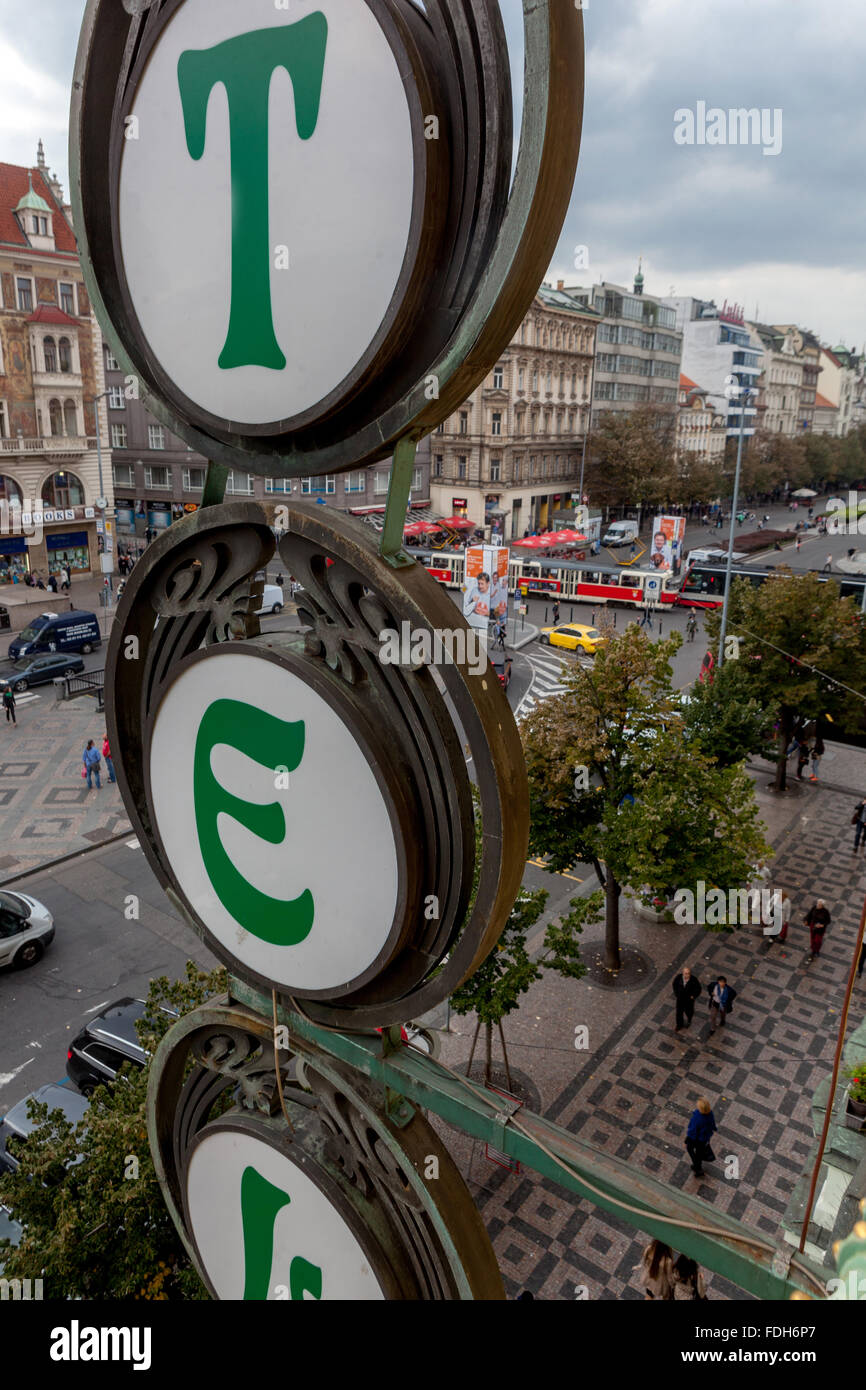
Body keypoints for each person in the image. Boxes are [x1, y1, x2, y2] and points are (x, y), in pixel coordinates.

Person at [685, 1097, 717, 1178]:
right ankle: (697, 1167)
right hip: (704, 1139)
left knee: (690, 1149)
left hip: (695, 1139)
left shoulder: (698, 1118)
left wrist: (689, 1138)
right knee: (699, 1153)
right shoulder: (710, 1113)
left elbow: (693, 1130)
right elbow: (712, 1124)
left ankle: (697, 1167)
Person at [673, 965, 701, 1032]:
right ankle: (679, 1025)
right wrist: (677, 994)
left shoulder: (694, 980)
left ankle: (689, 1020)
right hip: (680, 999)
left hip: (689, 1000)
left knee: (689, 1011)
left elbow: (698, 989)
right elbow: (674, 985)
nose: (687, 975)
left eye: (688, 973)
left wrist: (693, 996)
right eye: (686, 973)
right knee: (679, 1013)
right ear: (683, 973)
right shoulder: (679, 978)